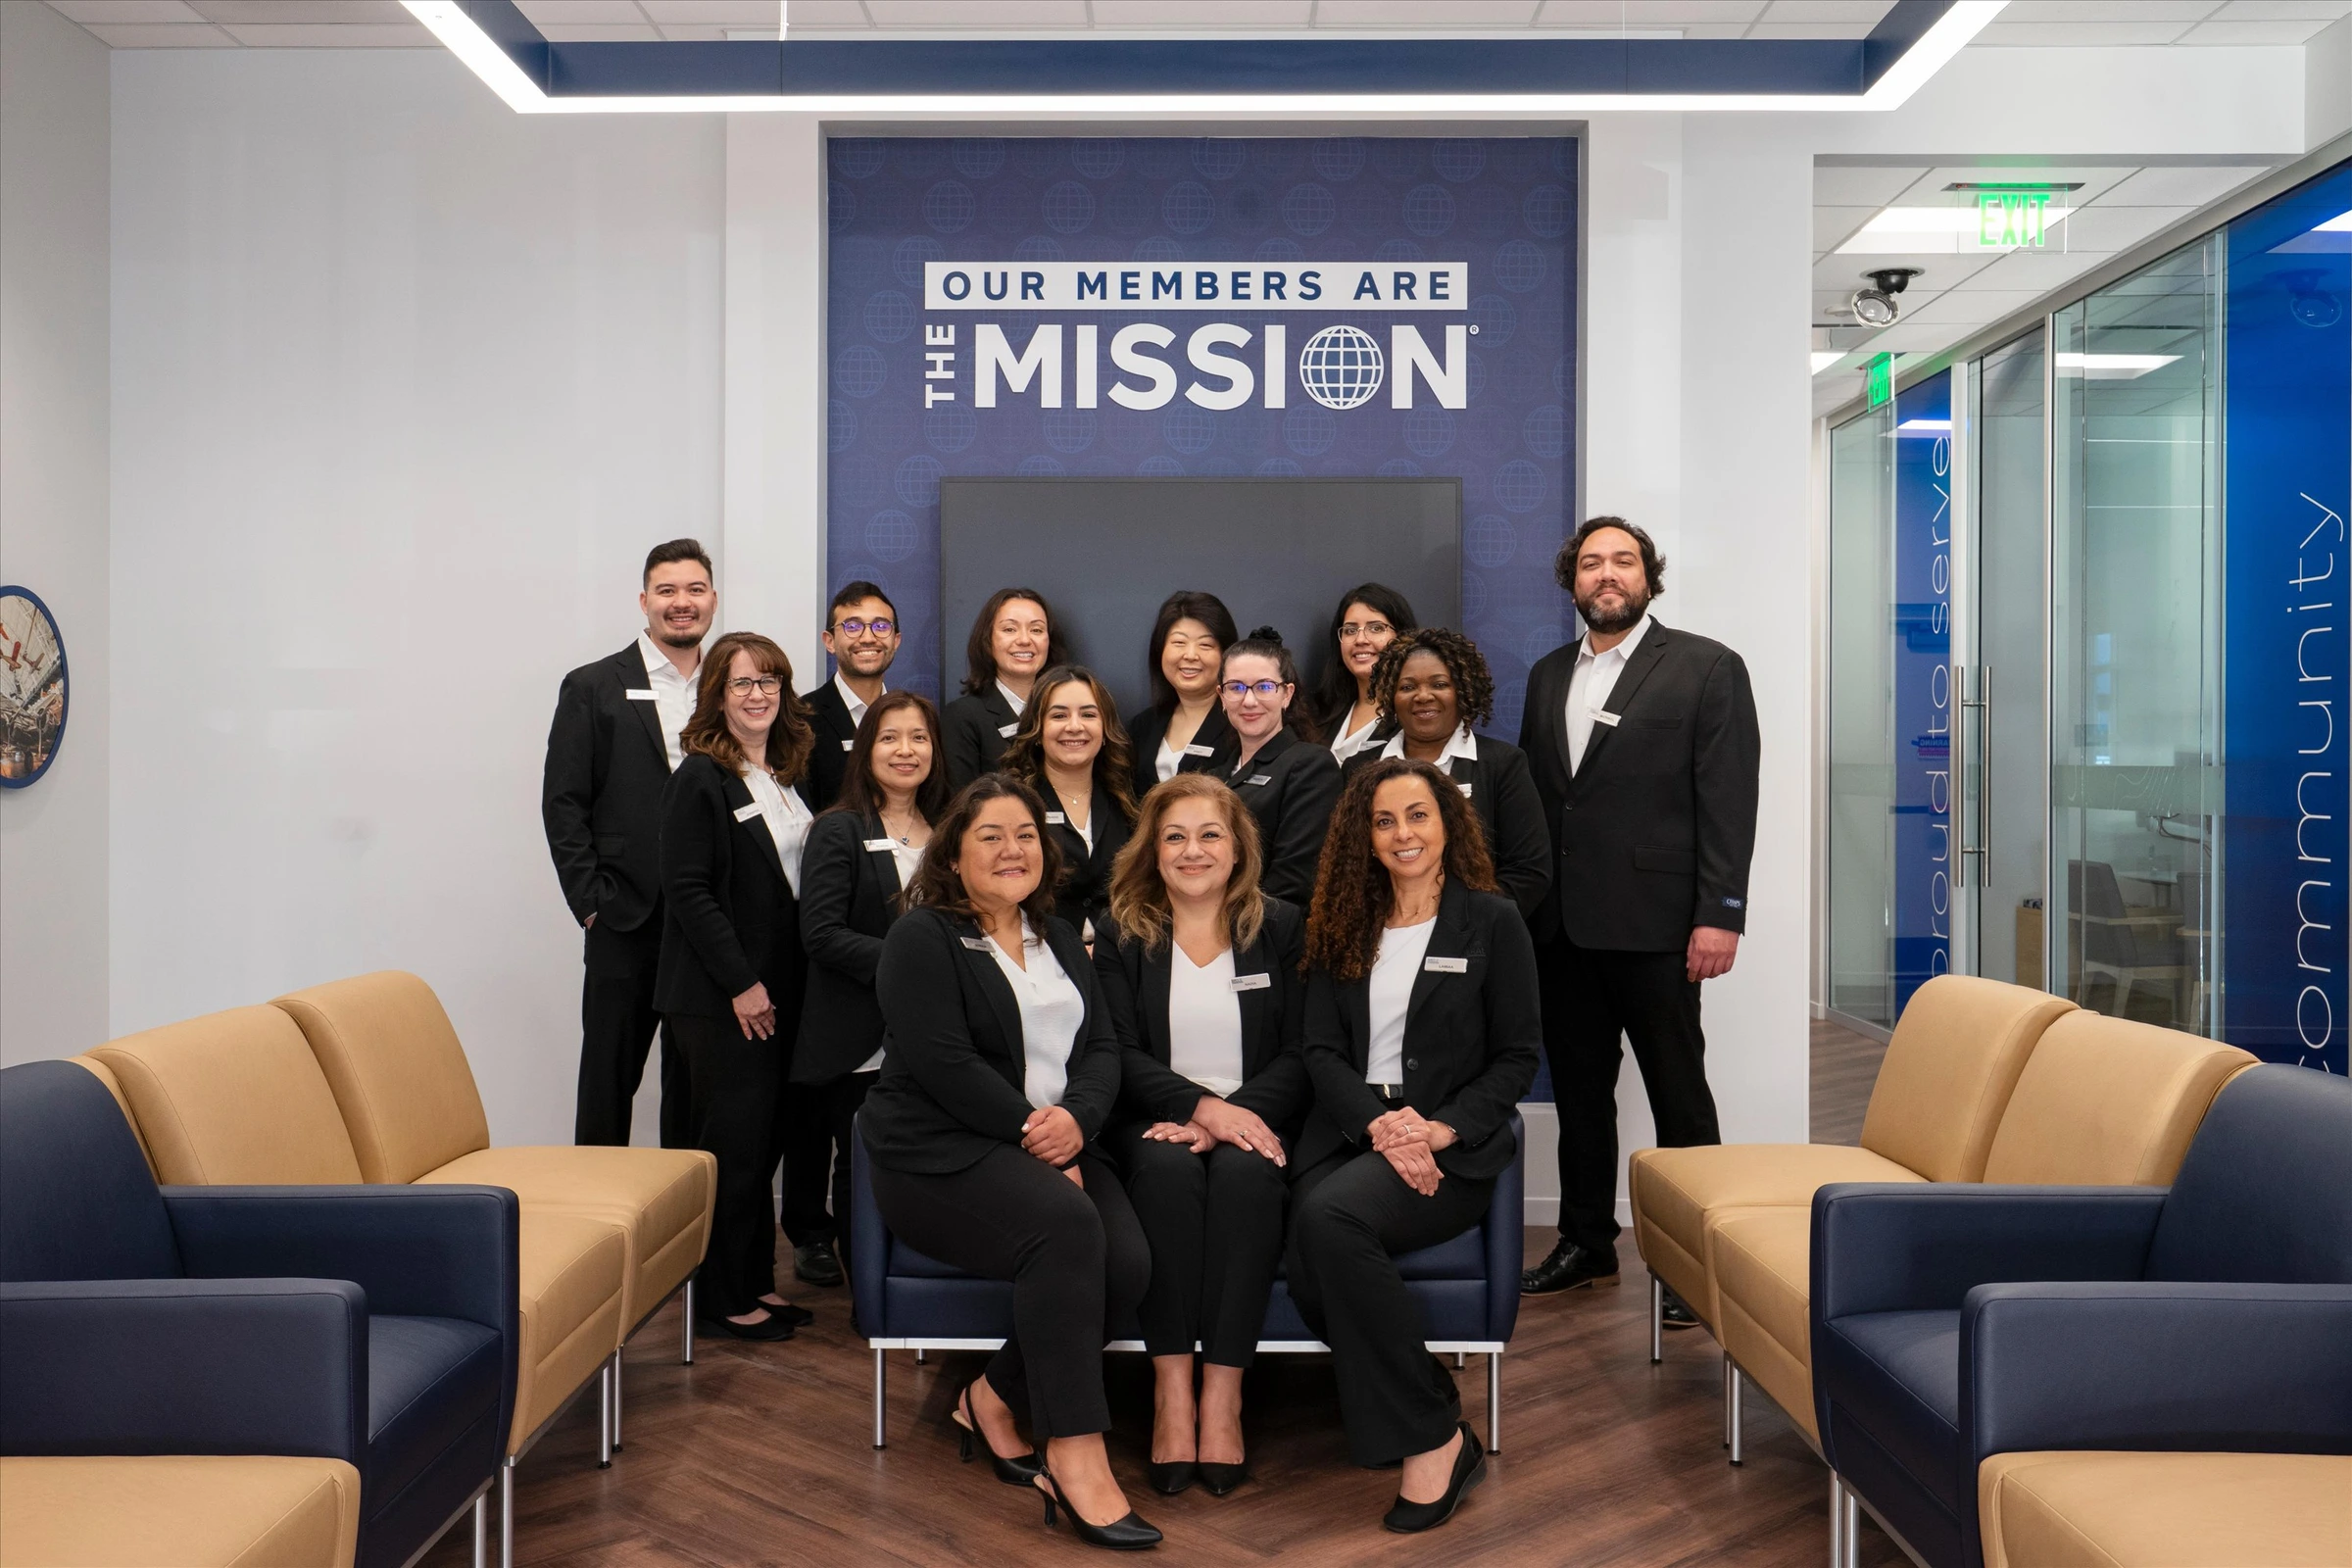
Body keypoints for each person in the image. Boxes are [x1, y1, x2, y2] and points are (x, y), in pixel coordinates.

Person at [859, 775, 1160, 1551]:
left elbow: (1099, 1046)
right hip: (937, 1155)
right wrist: (1037, 1135)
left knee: (1126, 1264)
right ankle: (1075, 1453)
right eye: (989, 835)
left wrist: (1075, 1124)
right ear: (953, 855)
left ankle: (992, 1397)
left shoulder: (1058, 934)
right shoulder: (921, 936)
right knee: (1067, 1228)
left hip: (1054, 1139)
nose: (1011, 849)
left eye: (1025, 834)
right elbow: (944, 1064)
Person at [1515, 516, 1760, 1316]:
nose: (1606, 575)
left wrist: (1720, 914)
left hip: (1659, 927)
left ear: (1649, 577)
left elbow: (1728, 802)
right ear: (1572, 582)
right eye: (1591, 564)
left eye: (1623, 561)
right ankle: (1588, 1243)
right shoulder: (1549, 674)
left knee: (1677, 1094)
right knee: (1583, 1097)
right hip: (1563, 930)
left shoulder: (1706, 668)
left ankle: (1697, 1266)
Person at [1288, 758, 1540, 1533]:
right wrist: (1377, 1124)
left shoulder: (1491, 920)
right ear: (1363, 836)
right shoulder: (1340, 922)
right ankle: (1430, 1408)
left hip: (1447, 1147)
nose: (1403, 834)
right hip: (1352, 1129)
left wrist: (1440, 1127)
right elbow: (1321, 1050)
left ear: (1447, 823)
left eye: (1418, 816)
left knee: (1328, 1222)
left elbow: (1518, 1055)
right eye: (1385, 821)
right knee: (1304, 1257)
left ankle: (1430, 1440)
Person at [1094, 774, 1307, 1499]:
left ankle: (1224, 1397)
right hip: (1151, 1120)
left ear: (1239, 845)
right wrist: (1199, 1110)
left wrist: (1233, 1117)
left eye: (1210, 834)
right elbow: (1117, 1053)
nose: (1193, 850)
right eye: (1175, 836)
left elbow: (1305, 1051)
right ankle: (1170, 1394)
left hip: (1259, 1119)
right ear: (1153, 851)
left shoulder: (1281, 926)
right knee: (1165, 1171)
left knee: (1248, 1177)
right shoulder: (1123, 934)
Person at [655, 631, 819, 1341]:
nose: (758, 695)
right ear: (717, 694)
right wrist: (742, 984)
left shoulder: (781, 774)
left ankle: (755, 1280)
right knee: (731, 1152)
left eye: (770, 681)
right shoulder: (701, 775)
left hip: (774, 993)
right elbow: (689, 892)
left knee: (761, 1147)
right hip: (722, 1002)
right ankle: (721, 1297)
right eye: (743, 683)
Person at [542, 538, 712, 1150]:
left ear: (713, 600)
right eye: (667, 591)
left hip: (708, 924)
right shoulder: (592, 686)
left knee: (695, 1087)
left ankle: (688, 1234)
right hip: (624, 915)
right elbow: (564, 804)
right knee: (609, 1081)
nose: (681, 603)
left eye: (694, 589)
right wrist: (590, 902)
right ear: (644, 602)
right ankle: (595, 1225)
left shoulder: (733, 687)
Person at [791, 691, 950, 1286]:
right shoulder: (838, 829)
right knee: (860, 1167)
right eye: (889, 738)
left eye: (918, 738)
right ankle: (870, 1291)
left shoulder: (952, 829)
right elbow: (822, 934)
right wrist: (913, 965)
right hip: (860, 1031)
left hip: (936, 1031)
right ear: (865, 749)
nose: (905, 751)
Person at [1345, 628, 1552, 919]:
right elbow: (1344, 864)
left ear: (1463, 691)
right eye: (1407, 687)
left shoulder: (1502, 765)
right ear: (1390, 696)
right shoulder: (1358, 769)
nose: (1423, 696)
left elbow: (1528, 872)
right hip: (1380, 931)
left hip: (1473, 937)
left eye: (1439, 684)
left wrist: (1460, 923)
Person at [1181, 627, 1341, 905]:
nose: (1249, 701)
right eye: (1236, 688)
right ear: (1221, 696)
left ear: (1287, 695)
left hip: (1267, 933)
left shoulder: (1311, 766)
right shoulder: (1211, 777)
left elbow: (1294, 882)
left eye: (1265, 687)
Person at [1001, 666, 1138, 946]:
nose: (1075, 726)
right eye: (1059, 715)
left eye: (1088, 714)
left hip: (1116, 960)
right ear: (1037, 730)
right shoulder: (1012, 803)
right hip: (1038, 954)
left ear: (1105, 728)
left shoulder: (1125, 799)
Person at [943, 588, 1069, 790]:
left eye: (1036, 630)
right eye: (1010, 629)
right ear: (988, 640)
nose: (1024, 640)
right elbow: (960, 805)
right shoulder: (963, 717)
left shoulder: (1070, 715)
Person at [1125, 591, 1239, 799]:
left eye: (1205, 645)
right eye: (1179, 643)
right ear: (1160, 650)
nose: (1190, 655)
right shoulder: (1142, 726)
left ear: (1226, 654)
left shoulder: (1241, 724)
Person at [805, 581, 902, 809]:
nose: (868, 638)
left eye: (881, 627)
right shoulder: (801, 718)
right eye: (852, 627)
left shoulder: (913, 718)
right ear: (829, 642)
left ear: (896, 640)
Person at [1307, 583, 1417, 764]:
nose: (1360, 640)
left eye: (1376, 628)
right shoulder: (1318, 712)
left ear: (1403, 636)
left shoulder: (1415, 714)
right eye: (1350, 630)